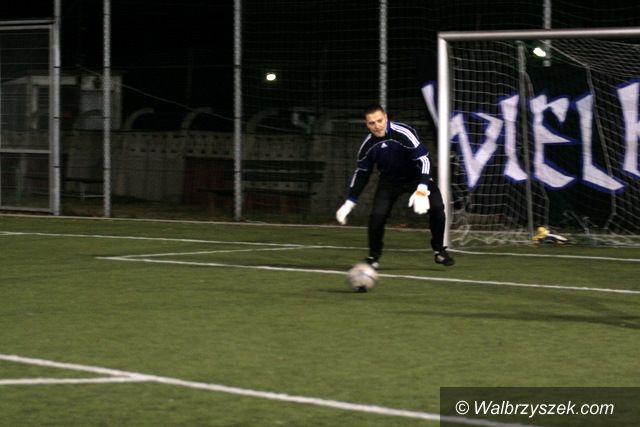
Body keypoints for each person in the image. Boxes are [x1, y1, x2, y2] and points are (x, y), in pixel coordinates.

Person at [336, 103, 454, 269]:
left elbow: (424, 160)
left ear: (386, 118)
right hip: (390, 181)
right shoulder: (367, 146)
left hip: (416, 176)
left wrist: (422, 188)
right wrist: (349, 202)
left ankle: (439, 250)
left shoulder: (403, 133)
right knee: (377, 216)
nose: (377, 126)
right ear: (366, 124)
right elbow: (362, 174)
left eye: (379, 120)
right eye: (372, 123)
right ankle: (373, 257)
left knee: (438, 208)